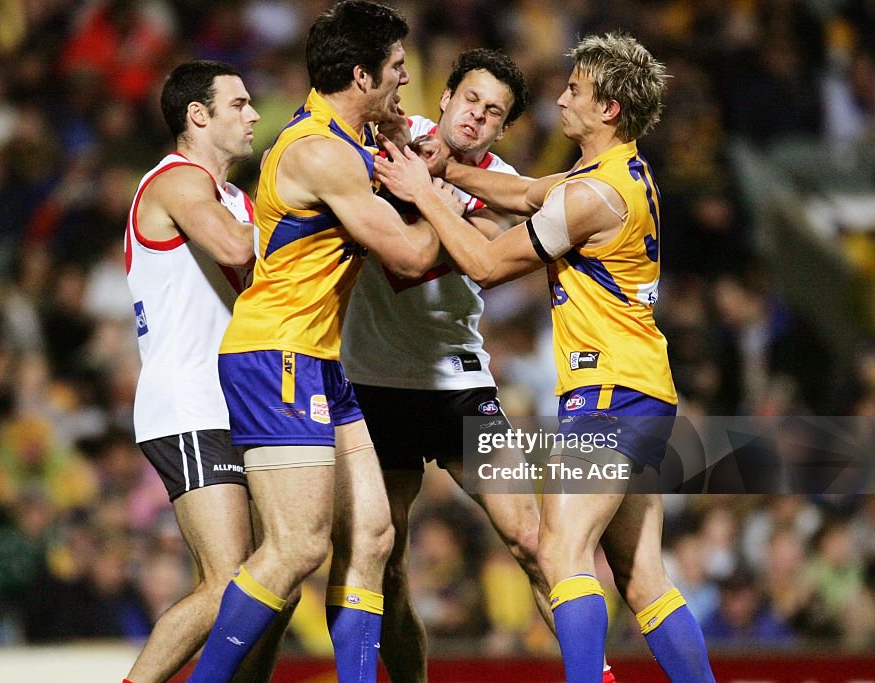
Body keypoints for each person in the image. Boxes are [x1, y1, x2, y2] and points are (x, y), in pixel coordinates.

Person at [374, 33, 716, 683]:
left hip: (607, 394)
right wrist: (445, 171)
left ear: (609, 109)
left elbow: (483, 262)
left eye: (577, 91)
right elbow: (529, 194)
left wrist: (421, 192)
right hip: (644, 389)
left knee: (561, 551)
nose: (562, 97)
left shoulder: (592, 198)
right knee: (643, 577)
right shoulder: (621, 175)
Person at [343, 48, 615, 683]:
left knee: (528, 536)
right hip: (371, 383)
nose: (476, 117)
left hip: (457, 383)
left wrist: (444, 194)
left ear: (501, 130)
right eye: (470, 100)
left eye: (493, 113)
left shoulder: (502, 183)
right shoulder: (383, 144)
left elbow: (499, 245)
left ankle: (594, 675)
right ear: (444, 97)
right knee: (382, 557)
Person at [188, 2, 442, 682]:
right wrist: (437, 193)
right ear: (361, 75)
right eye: (394, 68)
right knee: (295, 548)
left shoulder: (338, 142)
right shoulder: (323, 153)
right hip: (278, 354)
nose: (403, 81)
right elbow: (412, 258)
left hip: (317, 358)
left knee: (373, 536)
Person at [122, 61, 289, 683]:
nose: (253, 116)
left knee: (279, 585)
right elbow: (237, 249)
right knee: (228, 585)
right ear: (198, 116)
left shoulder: (235, 199)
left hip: (237, 405)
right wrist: (306, 203)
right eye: (240, 104)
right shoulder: (175, 182)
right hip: (190, 403)